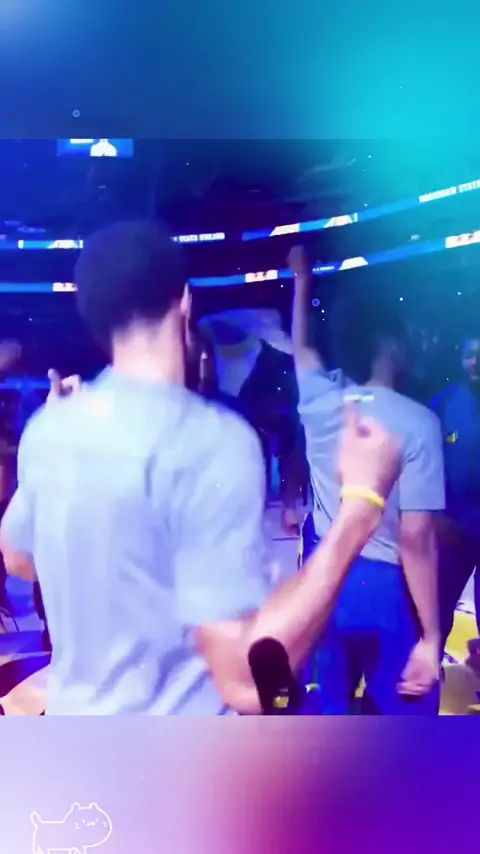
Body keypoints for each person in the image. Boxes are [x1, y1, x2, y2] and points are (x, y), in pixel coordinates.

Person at [0, 221, 400, 716]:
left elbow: (19, 560)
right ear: (184, 300)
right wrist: (361, 506)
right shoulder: (212, 439)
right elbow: (248, 684)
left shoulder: (50, 427)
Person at [288, 245, 445, 714]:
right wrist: (432, 635)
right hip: (387, 591)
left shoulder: (319, 401)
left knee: (330, 712)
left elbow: (302, 349)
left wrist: (301, 283)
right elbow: (415, 537)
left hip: (326, 582)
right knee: (403, 724)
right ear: (391, 344)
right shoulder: (419, 422)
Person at [431, 335, 480, 655]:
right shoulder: (444, 404)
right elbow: (423, 466)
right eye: (471, 354)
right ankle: (429, 670)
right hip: (453, 530)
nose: (476, 361)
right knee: (438, 611)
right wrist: (435, 518)